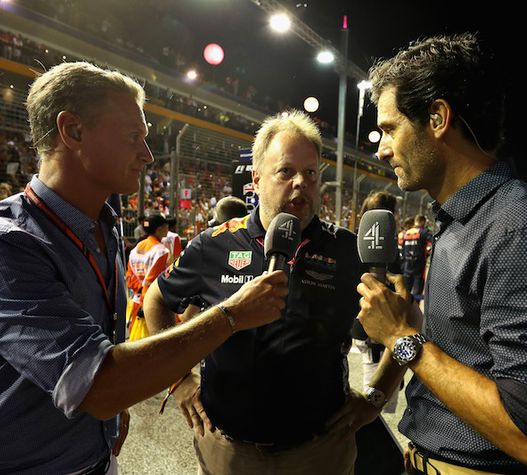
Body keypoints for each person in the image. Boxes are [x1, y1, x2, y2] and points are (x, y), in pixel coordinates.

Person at [0, 61, 289, 474]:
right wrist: (231, 315)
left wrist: (106, 414)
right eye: (132, 136)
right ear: (73, 131)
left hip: (95, 460)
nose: (147, 154)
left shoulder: (103, 226)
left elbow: (100, 368)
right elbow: (97, 385)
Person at [356, 33, 527, 475]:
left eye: (390, 128)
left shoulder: (525, 231)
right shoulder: (465, 219)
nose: (382, 148)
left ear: (438, 118)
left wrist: (403, 341)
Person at [143, 110, 405, 475]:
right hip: (227, 448)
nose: (300, 182)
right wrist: (179, 378)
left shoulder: (347, 250)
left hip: (318, 451)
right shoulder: (214, 245)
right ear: (256, 178)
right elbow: (155, 298)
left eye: (310, 173)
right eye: (286, 171)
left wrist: (376, 397)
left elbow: (406, 325)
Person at [352, 190, 402, 414]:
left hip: (365, 330)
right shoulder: (385, 249)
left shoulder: (355, 241)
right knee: (375, 406)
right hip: (375, 332)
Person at [125, 214, 171, 341]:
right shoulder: (161, 251)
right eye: (166, 226)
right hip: (151, 304)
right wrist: (145, 303)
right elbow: (152, 281)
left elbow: (129, 275)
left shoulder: (137, 248)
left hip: (136, 301)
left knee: (135, 341)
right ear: (159, 229)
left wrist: (138, 290)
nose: (168, 228)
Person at [400, 214, 431, 302]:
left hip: (407, 265)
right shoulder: (423, 232)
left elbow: (402, 248)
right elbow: (434, 242)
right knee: (417, 292)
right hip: (419, 266)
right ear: (422, 222)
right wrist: (428, 253)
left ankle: (405, 310)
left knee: (406, 291)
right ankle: (414, 312)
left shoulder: (407, 232)